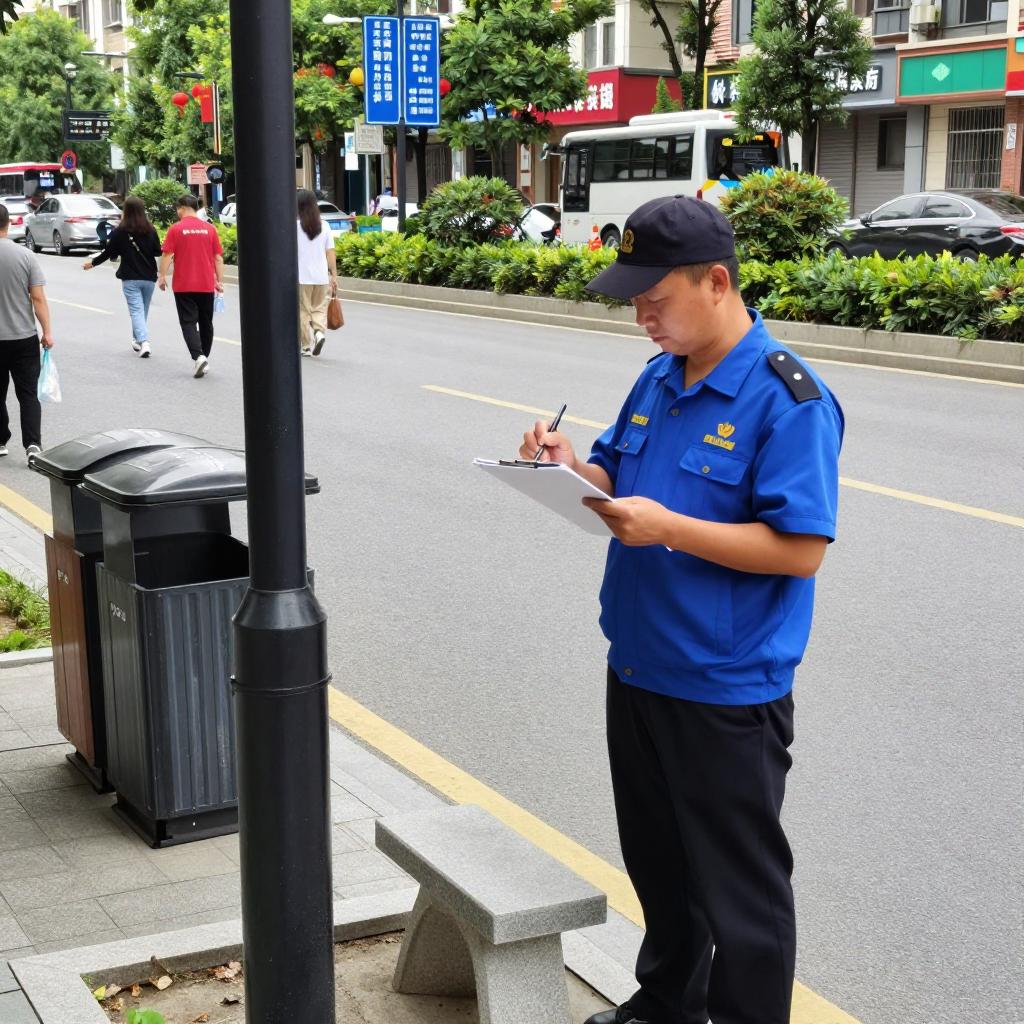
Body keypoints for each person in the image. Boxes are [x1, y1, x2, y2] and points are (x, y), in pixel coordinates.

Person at [518, 197, 844, 1024]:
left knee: (741, 897)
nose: (642, 318)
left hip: (725, 687)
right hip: (638, 663)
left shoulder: (788, 399)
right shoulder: (661, 374)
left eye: (654, 301)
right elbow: (619, 480)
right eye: (633, 302)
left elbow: (800, 549)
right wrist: (569, 468)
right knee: (661, 868)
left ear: (718, 282)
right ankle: (665, 1006)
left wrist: (669, 529)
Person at [0, 203, 54, 465]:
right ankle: (33, 445)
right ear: (8, 224)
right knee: (28, 394)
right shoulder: (25, 256)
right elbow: (38, 299)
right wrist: (48, 332)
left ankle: (0, 440)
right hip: (23, 338)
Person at [83, 196, 162, 358]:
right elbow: (157, 251)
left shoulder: (120, 231)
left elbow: (109, 252)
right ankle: (137, 339)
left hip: (131, 278)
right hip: (148, 277)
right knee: (142, 311)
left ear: (126, 210)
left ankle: (144, 341)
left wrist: (93, 263)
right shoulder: (150, 229)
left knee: (136, 311)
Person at [158, 194, 224, 378]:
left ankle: (199, 356)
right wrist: (219, 281)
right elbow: (218, 258)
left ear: (181, 208)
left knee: (188, 322)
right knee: (206, 323)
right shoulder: (210, 229)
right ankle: (204, 355)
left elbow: (167, 255)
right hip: (206, 284)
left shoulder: (176, 229)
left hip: (184, 285)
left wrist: (162, 276)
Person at [296, 189, 337, 357]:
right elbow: (330, 253)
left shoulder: (295, 227)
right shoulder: (325, 226)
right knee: (319, 308)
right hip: (321, 277)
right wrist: (334, 275)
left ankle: (305, 346)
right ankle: (319, 333)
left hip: (302, 276)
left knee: (304, 311)